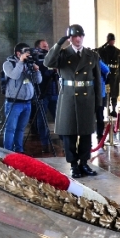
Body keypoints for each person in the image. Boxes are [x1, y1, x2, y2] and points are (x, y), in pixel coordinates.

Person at [44, 24, 102, 179]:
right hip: (68, 97)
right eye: (74, 36)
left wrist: (98, 102)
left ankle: (84, 163)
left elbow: (97, 79)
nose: (78, 39)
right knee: (69, 133)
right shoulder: (62, 54)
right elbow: (47, 62)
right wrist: (58, 44)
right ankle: (74, 165)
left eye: (80, 36)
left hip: (87, 97)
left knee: (85, 133)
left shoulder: (92, 55)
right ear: (69, 38)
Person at [1, 43, 42, 153]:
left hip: (27, 103)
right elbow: (14, 75)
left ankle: (19, 150)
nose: (28, 55)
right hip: (14, 103)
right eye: (26, 52)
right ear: (18, 53)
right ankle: (7, 152)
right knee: (10, 129)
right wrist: (20, 62)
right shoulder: (8, 64)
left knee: (21, 129)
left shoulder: (29, 64)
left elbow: (38, 81)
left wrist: (37, 70)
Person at [33, 39, 59, 153]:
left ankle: (64, 139)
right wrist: (51, 70)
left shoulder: (52, 58)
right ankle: (45, 143)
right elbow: (41, 75)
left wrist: (56, 71)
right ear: (38, 48)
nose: (47, 48)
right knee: (42, 120)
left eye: (47, 46)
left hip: (54, 93)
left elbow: (57, 76)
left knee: (59, 118)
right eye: (44, 47)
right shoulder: (36, 60)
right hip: (42, 93)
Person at [97, 33, 120, 116]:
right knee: (106, 94)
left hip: (115, 76)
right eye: (110, 40)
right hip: (107, 76)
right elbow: (98, 51)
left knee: (114, 94)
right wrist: (105, 44)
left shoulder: (118, 51)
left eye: (113, 40)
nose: (112, 42)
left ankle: (114, 109)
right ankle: (106, 110)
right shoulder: (103, 50)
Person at [95, 60, 110, 143]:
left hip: (100, 94)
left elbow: (107, 70)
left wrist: (98, 61)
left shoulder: (98, 61)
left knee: (100, 116)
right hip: (90, 95)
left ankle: (100, 134)